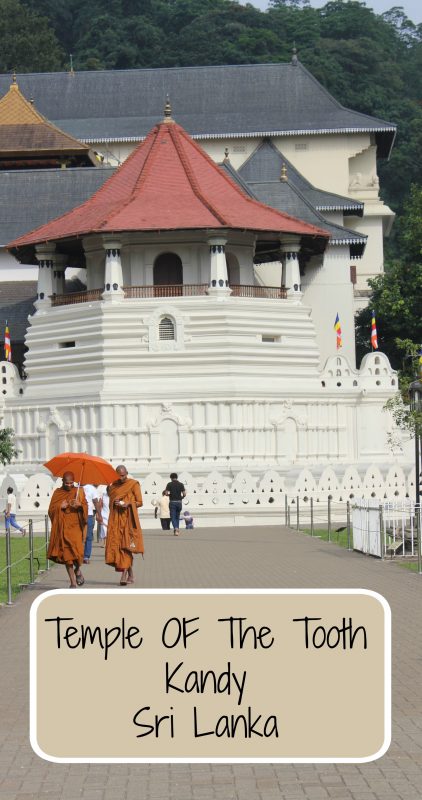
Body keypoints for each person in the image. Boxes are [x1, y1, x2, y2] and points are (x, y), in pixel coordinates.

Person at [47, 472, 88, 588]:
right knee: (67, 556)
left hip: (76, 528)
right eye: (67, 483)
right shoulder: (58, 493)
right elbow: (51, 510)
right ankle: (73, 582)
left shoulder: (79, 491)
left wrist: (80, 505)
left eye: (71, 483)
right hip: (63, 528)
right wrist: (60, 506)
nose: (69, 485)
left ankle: (78, 570)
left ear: (74, 481)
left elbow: (86, 507)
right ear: (62, 482)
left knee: (78, 553)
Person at [105, 465, 144, 585]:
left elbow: (140, 502)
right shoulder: (114, 486)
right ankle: (131, 575)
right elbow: (111, 501)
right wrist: (114, 500)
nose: (122, 478)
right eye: (119, 476)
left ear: (127, 473)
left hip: (128, 520)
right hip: (116, 521)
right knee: (119, 547)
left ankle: (124, 575)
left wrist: (127, 504)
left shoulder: (133, 484)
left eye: (123, 475)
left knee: (126, 546)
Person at [82, 484, 101, 563]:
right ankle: (77, 555)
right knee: (77, 536)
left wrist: (99, 514)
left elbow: (96, 502)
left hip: (89, 515)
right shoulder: (75, 487)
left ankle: (86, 556)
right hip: (76, 515)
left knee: (88, 536)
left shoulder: (91, 488)